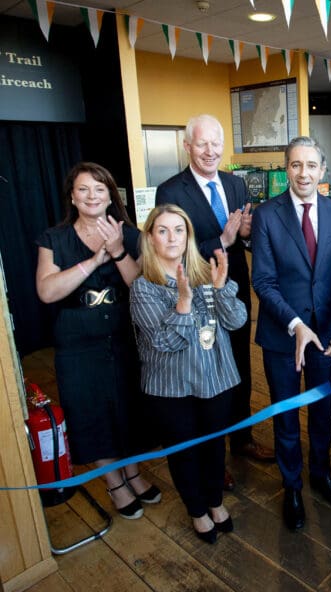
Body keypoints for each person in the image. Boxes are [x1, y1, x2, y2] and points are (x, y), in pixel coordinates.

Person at [156, 114, 274, 490]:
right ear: (187, 146)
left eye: (215, 144)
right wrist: (222, 240)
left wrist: (247, 234)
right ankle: (214, 456)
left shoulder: (235, 183)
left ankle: (241, 439)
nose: (210, 151)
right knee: (207, 374)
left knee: (239, 365)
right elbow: (174, 250)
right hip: (198, 295)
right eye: (202, 144)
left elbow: (243, 238)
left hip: (235, 290)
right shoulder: (170, 191)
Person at [35, 162, 160, 520]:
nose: (92, 196)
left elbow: (141, 286)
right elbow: (47, 290)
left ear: (111, 196)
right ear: (72, 196)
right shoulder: (53, 239)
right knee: (91, 411)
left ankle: (133, 474)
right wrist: (93, 261)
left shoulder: (131, 234)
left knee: (127, 407)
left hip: (122, 334)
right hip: (77, 339)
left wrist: (118, 250)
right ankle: (115, 484)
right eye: (84, 190)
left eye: (100, 189)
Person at [251, 136, 331, 531]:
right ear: (286, 169)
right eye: (295, 165)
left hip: (327, 337)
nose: (303, 173)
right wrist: (295, 325)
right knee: (284, 415)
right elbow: (263, 280)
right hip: (283, 336)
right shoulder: (267, 215)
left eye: (311, 165)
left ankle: (321, 475)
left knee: (320, 411)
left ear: (323, 170)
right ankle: (292, 486)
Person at [130, 204, 246, 544]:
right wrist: (182, 302)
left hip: (215, 380)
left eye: (179, 230)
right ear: (150, 239)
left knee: (213, 447)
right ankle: (197, 510)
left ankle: (214, 501)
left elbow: (236, 321)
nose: (172, 237)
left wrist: (222, 288)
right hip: (173, 390)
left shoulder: (206, 272)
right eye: (162, 230)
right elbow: (163, 342)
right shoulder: (144, 287)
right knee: (184, 452)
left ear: (188, 236)